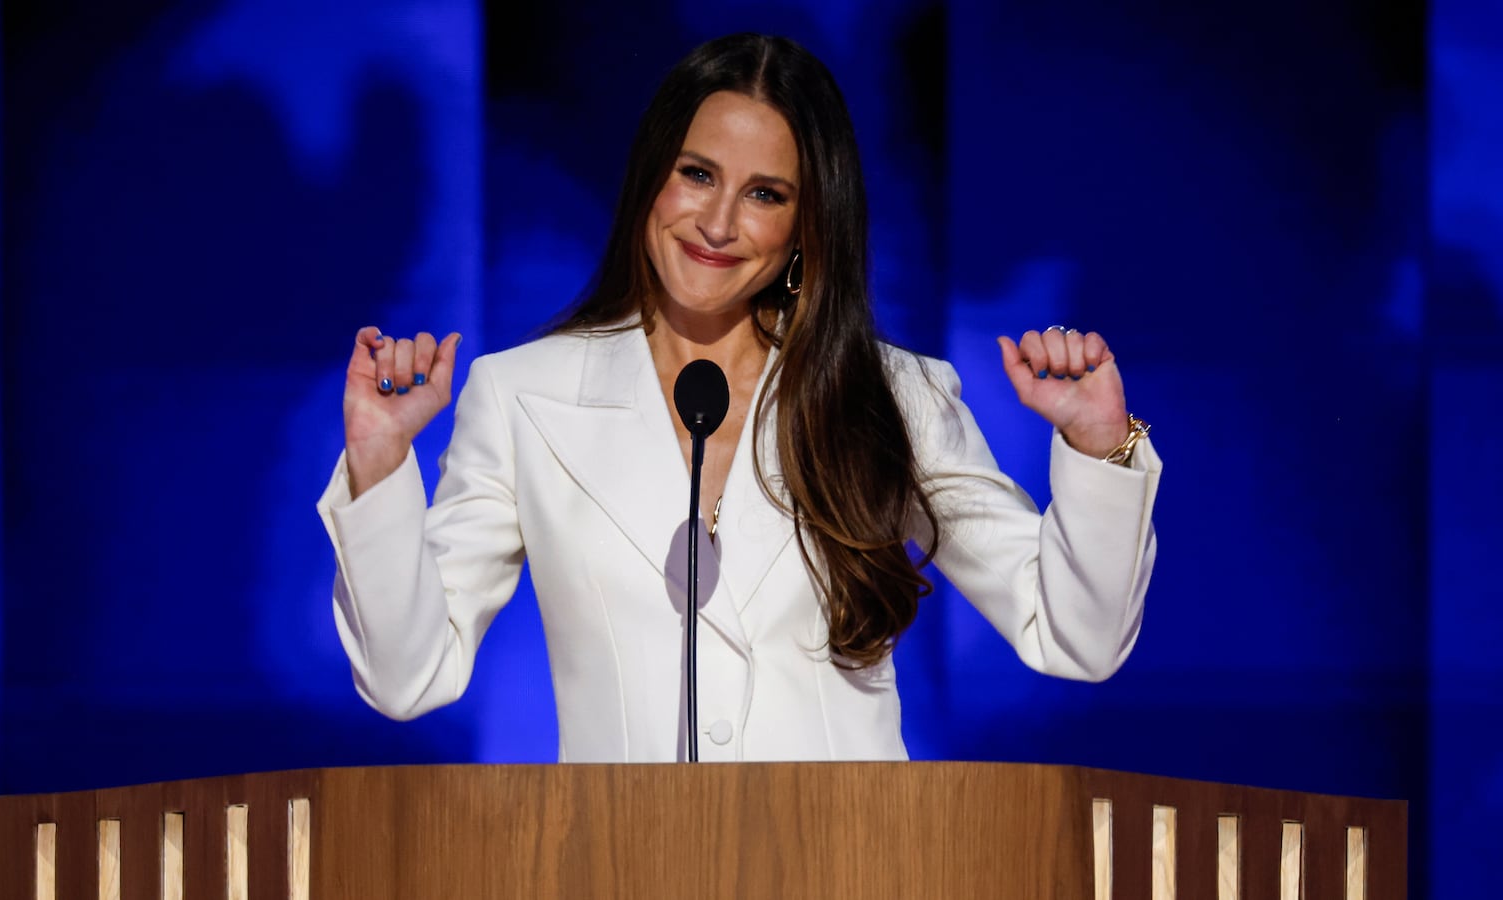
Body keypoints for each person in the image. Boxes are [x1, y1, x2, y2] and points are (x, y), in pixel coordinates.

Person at [317, 33, 1160, 762]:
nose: (718, 223)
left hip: (855, 868)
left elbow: (1074, 637)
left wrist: (1100, 446)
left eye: (765, 194)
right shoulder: (522, 397)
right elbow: (407, 677)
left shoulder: (891, 395)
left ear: (806, 223)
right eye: (696, 174)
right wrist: (383, 462)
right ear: (652, 177)